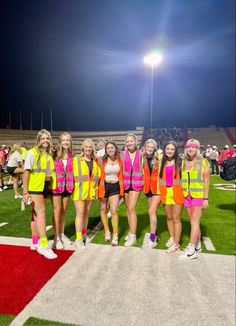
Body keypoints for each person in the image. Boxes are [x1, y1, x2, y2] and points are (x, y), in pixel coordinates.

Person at [22, 129, 57, 259]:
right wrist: (25, 192)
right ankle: (43, 245)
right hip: (35, 188)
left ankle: (35, 242)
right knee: (41, 214)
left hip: (42, 188)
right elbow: (26, 172)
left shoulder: (46, 154)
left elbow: (47, 173)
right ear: (38, 140)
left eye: (47, 138)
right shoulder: (32, 152)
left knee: (35, 216)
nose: (45, 141)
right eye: (43, 138)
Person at [181, 139, 210, 260]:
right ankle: (197, 245)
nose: (190, 149)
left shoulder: (203, 162)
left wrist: (205, 199)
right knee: (194, 222)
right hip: (187, 195)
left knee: (194, 221)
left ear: (197, 149)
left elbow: (207, 182)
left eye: (193, 147)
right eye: (188, 147)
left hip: (198, 196)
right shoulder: (183, 162)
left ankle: (191, 249)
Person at [72, 139, 101, 249]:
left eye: (90, 147)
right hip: (79, 191)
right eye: (86, 147)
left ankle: (84, 233)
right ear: (83, 148)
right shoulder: (77, 160)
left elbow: (96, 177)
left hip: (90, 192)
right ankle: (78, 238)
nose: (88, 149)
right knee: (80, 214)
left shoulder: (95, 161)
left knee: (86, 213)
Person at [49, 132, 74, 250]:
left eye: (67, 140)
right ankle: (56, 237)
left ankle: (62, 234)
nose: (65, 142)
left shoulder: (72, 156)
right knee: (57, 211)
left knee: (63, 211)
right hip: (56, 186)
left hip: (67, 186)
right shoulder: (54, 154)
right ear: (60, 142)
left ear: (70, 142)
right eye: (63, 140)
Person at [159, 141, 184, 253]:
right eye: (167, 148)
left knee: (176, 218)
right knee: (169, 217)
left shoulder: (180, 162)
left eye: (172, 149)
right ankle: (172, 237)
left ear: (175, 151)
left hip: (177, 193)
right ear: (164, 149)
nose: (169, 151)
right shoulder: (162, 161)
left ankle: (176, 244)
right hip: (166, 193)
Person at [98, 141, 124, 246]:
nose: (110, 149)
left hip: (115, 187)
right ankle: (107, 231)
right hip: (104, 187)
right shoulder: (102, 160)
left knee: (114, 211)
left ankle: (115, 234)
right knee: (103, 209)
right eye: (108, 148)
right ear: (106, 150)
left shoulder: (120, 159)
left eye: (111, 147)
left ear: (115, 148)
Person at [121, 133, 144, 247]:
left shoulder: (141, 154)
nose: (130, 143)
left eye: (131, 141)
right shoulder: (122, 154)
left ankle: (133, 236)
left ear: (136, 142)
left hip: (136, 184)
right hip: (125, 184)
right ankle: (131, 232)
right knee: (127, 209)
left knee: (131, 208)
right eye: (128, 141)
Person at [142, 139, 161, 249]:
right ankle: (156, 233)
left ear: (154, 148)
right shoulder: (142, 158)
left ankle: (152, 239)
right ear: (145, 147)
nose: (149, 149)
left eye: (151, 147)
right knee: (152, 212)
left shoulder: (159, 158)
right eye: (148, 147)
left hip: (157, 189)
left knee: (151, 211)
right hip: (147, 189)